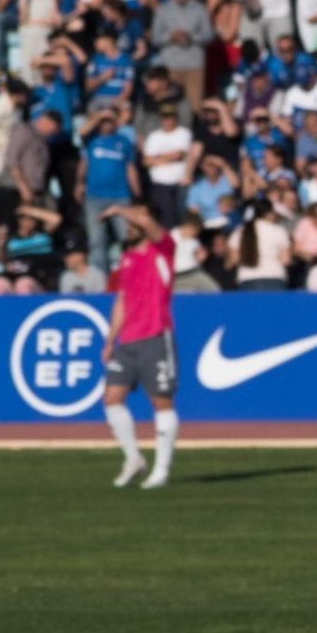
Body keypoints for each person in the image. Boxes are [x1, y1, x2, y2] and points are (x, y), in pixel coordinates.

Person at [99, 203, 178, 490]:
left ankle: (162, 468)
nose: (130, 227)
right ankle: (134, 458)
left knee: (161, 402)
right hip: (128, 340)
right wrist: (110, 339)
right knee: (111, 399)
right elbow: (122, 300)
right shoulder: (127, 258)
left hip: (155, 335)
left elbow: (147, 220)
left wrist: (120, 209)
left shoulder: (163, 248)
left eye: (135, 223)